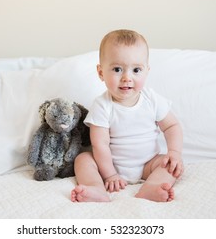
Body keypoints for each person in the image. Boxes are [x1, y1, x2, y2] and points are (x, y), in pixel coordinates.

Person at [71, 29, 184, 202]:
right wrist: (110, 175)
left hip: (149, 164)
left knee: (171, 166)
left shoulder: (152, 99)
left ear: (147, 71)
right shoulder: (102, 105)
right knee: (83, 160)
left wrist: (174, 152)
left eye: (136, 70)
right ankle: (96, 188)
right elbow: (100, 144)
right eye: (117, 69)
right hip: (109, 165)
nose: (127, 78)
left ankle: (151, 187)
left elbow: (172, 126)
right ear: (101, 73)